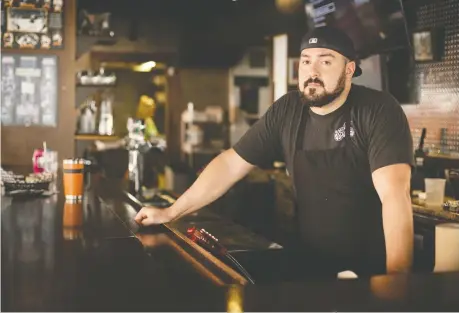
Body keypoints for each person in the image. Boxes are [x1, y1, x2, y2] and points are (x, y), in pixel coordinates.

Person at [135, 26, 414, 277]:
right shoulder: (288, 109)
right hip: (308, 266)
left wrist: (397, 279)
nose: (312, 71)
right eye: (306, 61)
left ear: (349, 69)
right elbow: (231, 164)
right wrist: (171, 212)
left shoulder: (378, 109)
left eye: (325, 61)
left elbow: (394, 194)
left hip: (370, 272)